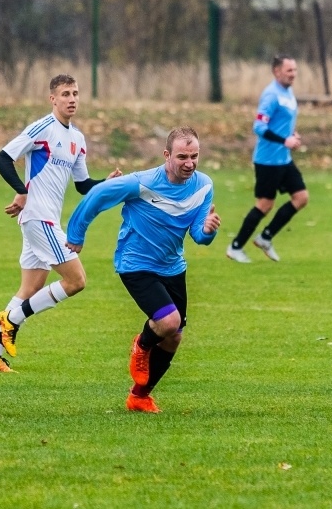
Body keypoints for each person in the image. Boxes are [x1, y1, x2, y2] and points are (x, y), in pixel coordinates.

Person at [66, 126, 221, 413]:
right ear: (166, 155)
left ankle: (139, 395)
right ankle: (142, 344)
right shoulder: (142, 182)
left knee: (174, 337)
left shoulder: (204, 185)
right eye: (182, 156)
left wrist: (209, 230)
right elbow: (98, 195)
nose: (190, 163)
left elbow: (199, 237)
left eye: (195, 156)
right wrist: (76, 233)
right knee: (168, 322)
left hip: (173, 267)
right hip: (136, 263)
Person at [0, 74, 121, 373]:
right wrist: (22, 191)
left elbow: (82, 185)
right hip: (38, 218)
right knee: (76, 280)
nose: (72, 99)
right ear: (52, 99)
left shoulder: (77, 140)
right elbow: (2, 158)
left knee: (30, 288)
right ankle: (11, 320)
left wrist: (105, 184)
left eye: (76, 93)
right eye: (65, 94)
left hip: (44, 220)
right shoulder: (42, 128)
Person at [226, 54, 308, 263]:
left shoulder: (287, 93)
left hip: (284, 159)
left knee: (301, 198)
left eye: (295, 70)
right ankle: (235, 247)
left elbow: (282, 122)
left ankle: (266, 237)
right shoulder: (271, 95)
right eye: (289, 70)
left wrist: (292, 136)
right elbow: (259, 127)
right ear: (277, 71)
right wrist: (284, 140)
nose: (293, 74)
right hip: (267, 160)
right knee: (264, 204)